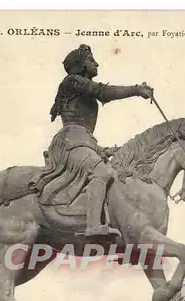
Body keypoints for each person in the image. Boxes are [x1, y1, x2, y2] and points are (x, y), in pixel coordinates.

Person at [34, 44, 154, 237]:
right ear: (81, 65)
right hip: (69, 142)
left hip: (80, 141)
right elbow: (103, 92)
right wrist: (136, 89)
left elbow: (84, 132)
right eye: (91, 60)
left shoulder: (77, 85)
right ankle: (93, 227)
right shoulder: (72, 81)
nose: (96, 63)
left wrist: (100, 150)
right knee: (101, 171)